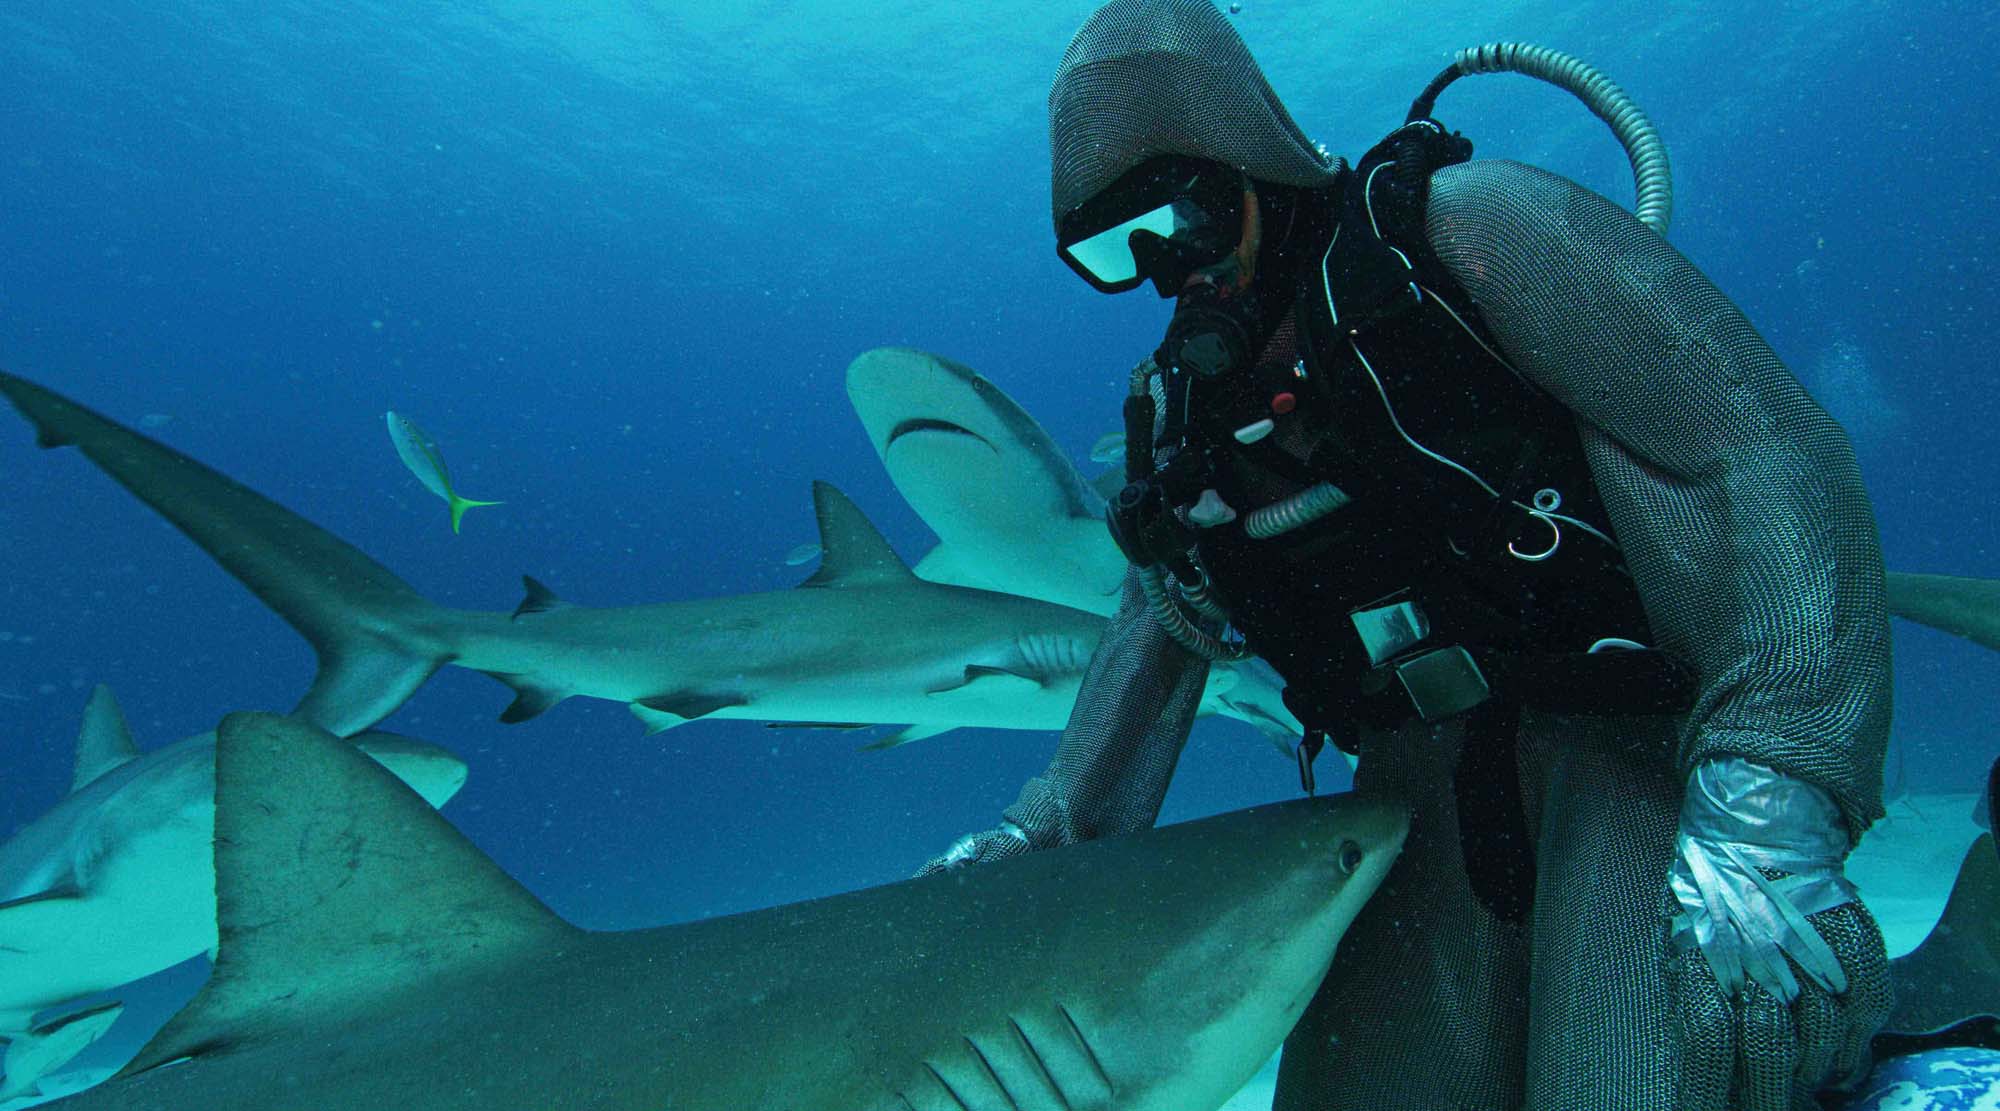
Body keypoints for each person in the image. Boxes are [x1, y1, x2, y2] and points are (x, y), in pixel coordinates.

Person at [920, 2, 1894, 1109]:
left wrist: (1774, 785)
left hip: (1630, 750)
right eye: (1109, 251)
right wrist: (1042, 835)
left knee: (1639, 1072)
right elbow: (1164, 631)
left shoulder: (1469, 236)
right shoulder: (1179, 418)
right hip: (1405, 796)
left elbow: (1759, 449)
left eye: (1177, 218)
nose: (1157, 268)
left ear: (1251, 159)